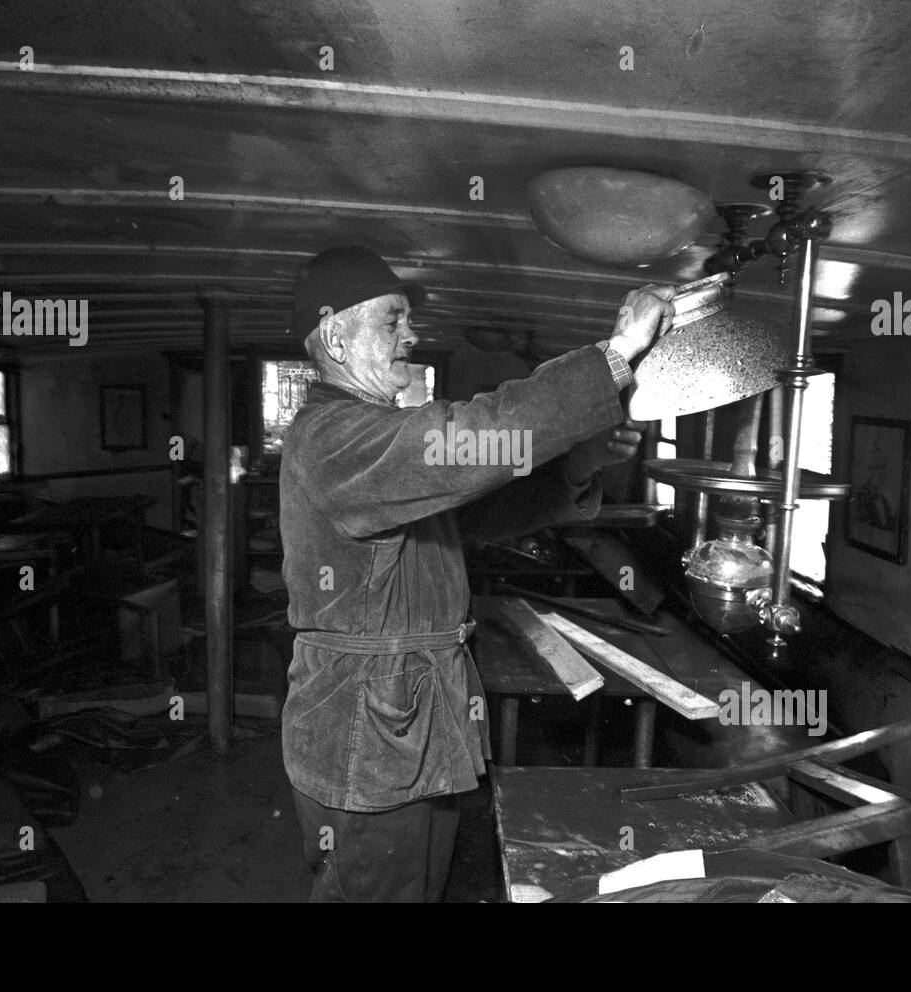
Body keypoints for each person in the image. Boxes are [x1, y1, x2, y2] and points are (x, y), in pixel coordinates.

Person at [279, 245, 675, 902]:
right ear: (335, 338)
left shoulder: (373, 436)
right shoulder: (331, 437)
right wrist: (612, 358)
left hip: (407, 724)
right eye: (392, 319)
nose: (412, 335)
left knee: (419, 887)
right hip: (366, 737)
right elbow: (469, 439)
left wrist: (579, 465)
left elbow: (479, 515)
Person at [851, 449, 895, 531]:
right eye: (877, 467)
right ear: (868, 470)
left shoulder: (885, 502)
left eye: (883, 468)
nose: (881, 473)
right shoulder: (859, 499)